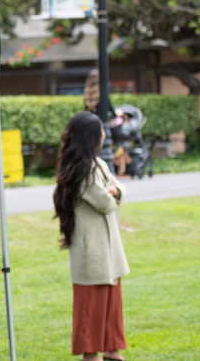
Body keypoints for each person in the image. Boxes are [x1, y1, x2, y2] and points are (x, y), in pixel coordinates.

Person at [53, 112, 129, 361]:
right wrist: (114, 193)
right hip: (92, 251)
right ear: (91, 136)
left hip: (107, 250)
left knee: (110, 306)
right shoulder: (82, 171)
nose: (105, 134)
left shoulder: (98, 165)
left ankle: (111, 351)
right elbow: (105, 202)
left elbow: (119, 189)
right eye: (101, 130)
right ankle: (92, 355)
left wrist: (115, 191)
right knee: (91, 310)